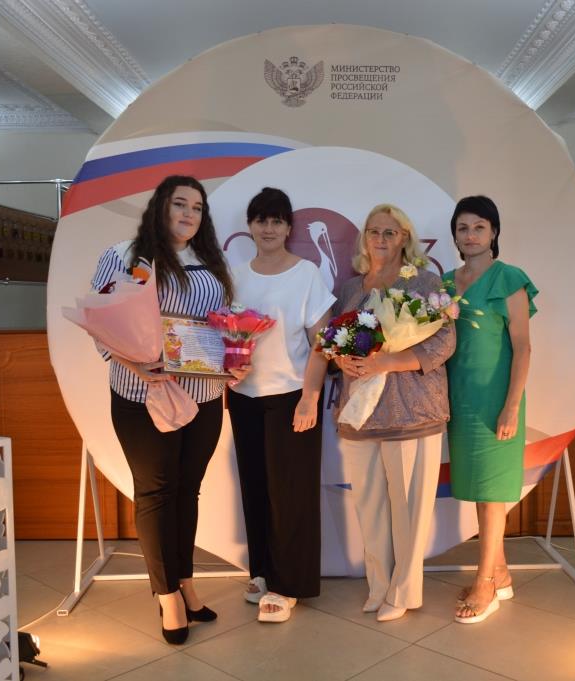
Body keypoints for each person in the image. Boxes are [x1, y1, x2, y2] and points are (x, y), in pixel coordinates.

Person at [89, 175, 243, 644]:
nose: (189, 214)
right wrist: (134, 364)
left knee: (187, 491)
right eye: (180, 204)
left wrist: (234, 358)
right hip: (143, 395)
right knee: (156, 492)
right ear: (160, 206)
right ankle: (167, 595)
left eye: (197, 208)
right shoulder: (126, 257)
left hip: (203, 396)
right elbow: (102, 322)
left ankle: (186, 582)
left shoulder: (210, 262)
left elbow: (219, 325)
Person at [333, 204, 456, 622]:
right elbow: (337, 342)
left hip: (412, 411)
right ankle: (379, 585)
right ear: (364, 238)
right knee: (369, 507)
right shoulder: (352, 289)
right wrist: (343, 360)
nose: (381, 239)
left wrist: (388, 362)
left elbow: (443, 344)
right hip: (361, 413)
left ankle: (404, 592)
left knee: (408, 509)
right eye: (374, 231)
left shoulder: (425, 282)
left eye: (390, 232)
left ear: (405, 237)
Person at [227, 187, 335, 623]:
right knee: (255, 488)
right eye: (261, 220)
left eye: (276, 221)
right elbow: (226, 336)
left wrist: (310, 397)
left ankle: (288, 585)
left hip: (292, 396)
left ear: (289, 228)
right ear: (249, 226)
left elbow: (322, 344)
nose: (268, 228)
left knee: (291, 494)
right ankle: (262, 571)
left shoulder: (306, 274)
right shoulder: (235, 275)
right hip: (243, 396)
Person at [443, 195, 538, 624]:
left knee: (493, 492)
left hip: (496, 399)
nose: (471, 235)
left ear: (494, 232)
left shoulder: (509, 278)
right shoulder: (447, 282)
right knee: (478, 490)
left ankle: (485, 584)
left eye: (479, 227)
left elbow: (523, 348)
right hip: (458, 398)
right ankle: (500, 572)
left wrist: (511, 406)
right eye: (463, 228)